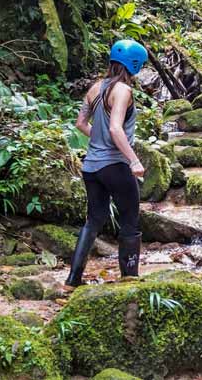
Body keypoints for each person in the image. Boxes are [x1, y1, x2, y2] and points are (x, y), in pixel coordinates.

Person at [65, 39, 148, 288]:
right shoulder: (123, 90)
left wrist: (99, 141)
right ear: (134, 65)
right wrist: (133, 160)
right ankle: (129, 280)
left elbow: (80, 124)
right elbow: (115, 128)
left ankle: (72, 280)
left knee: (94, 221)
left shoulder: (94, 88)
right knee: (130, 221)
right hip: (115, 167)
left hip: (91, 167)